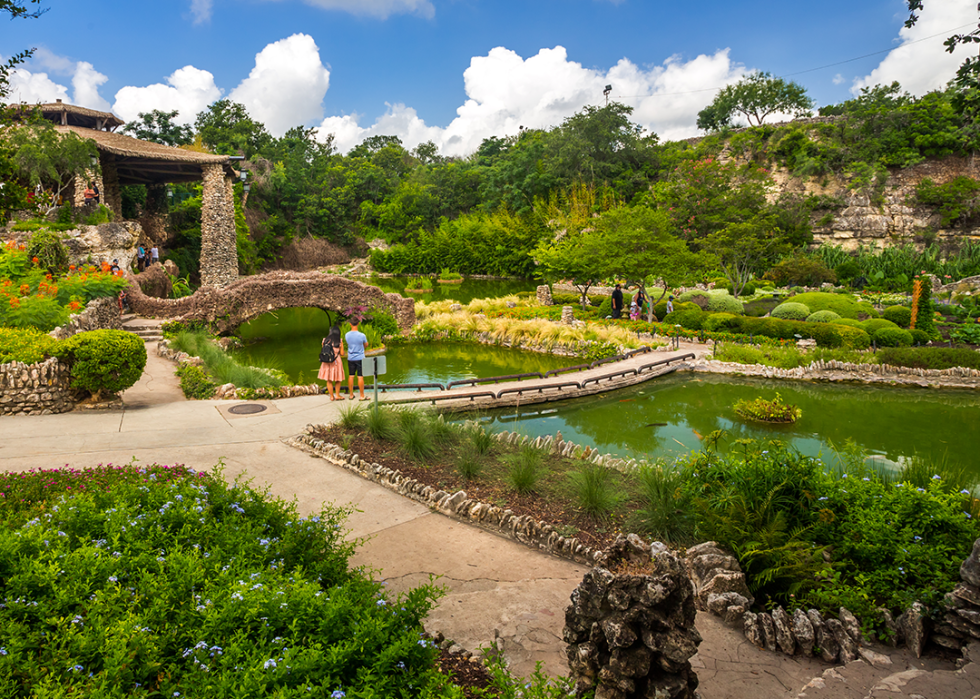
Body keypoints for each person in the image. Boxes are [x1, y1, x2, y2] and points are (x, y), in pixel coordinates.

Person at [318, 326, 345, 401]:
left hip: (326, 362)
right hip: (336, 361)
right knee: (338, 379)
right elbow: (342, 353)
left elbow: (324, 350)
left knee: (329, 380)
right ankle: (337, 395)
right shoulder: (339, 341)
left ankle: (331, 396)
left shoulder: (325, 340)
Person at [344, 320, 369, 401]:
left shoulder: (347, 335)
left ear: (350, 324)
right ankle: (362, 395)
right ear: (358, 323)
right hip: (360, 357)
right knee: (360, 376)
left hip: (350, 357)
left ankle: (351, 394)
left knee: (351, 375)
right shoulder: (362, 335)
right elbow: (366, 344)